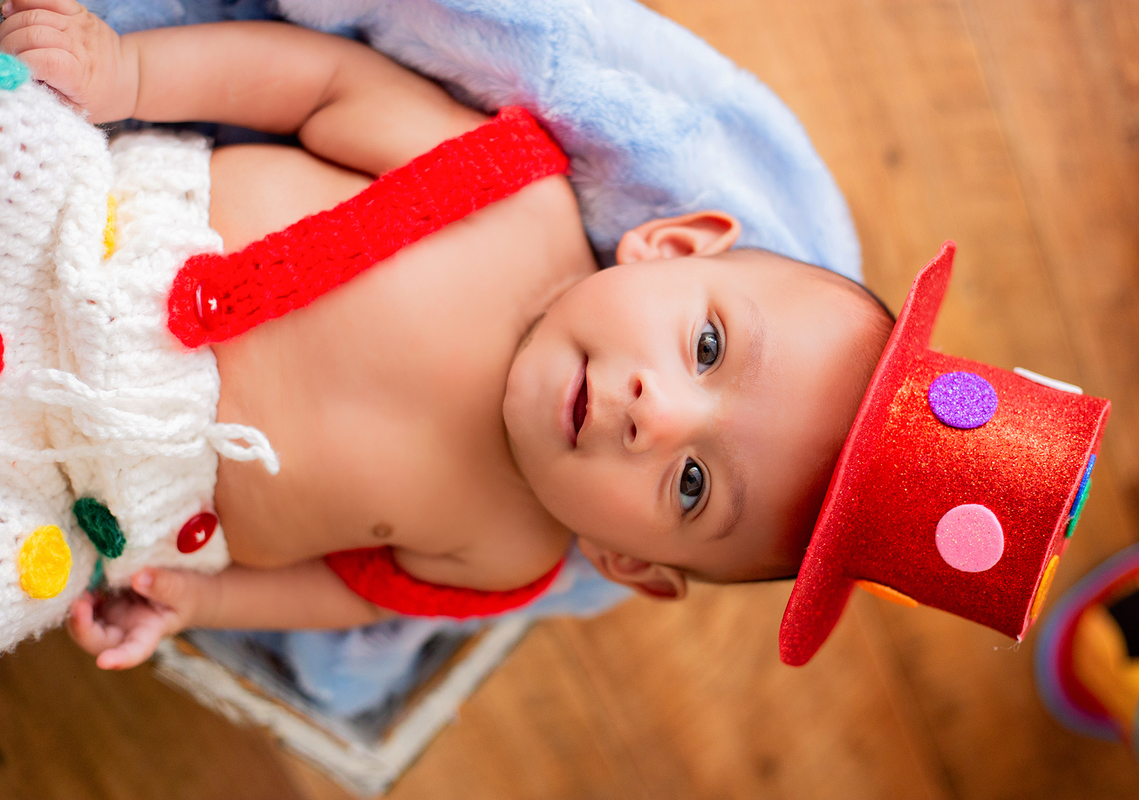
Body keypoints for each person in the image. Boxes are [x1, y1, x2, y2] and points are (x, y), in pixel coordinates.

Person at [0, 0, 893, 670]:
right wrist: (130, 76)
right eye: (706, 349)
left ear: (629, 561)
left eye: (693, 485)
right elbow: (320, 85)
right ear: (672, 246)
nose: (655, 411)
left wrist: (196, 600)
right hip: (62, 235)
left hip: (63, 495)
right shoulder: (509, 194)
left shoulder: (508, 554)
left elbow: (343, 591)